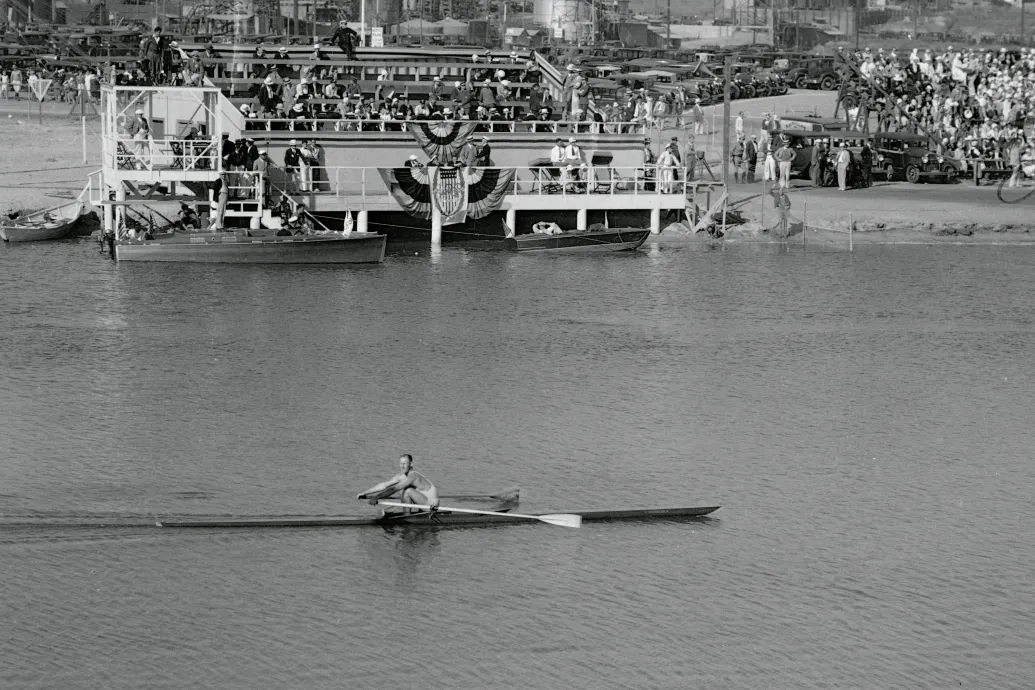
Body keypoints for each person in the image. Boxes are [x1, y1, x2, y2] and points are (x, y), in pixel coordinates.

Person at [357, 454, 440, 513]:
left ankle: (406, 516)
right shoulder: (401, 476)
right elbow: (384, 485)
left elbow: (394, 489)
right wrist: (365, 493)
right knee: (404, 490)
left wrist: (377, 497)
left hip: (432, 504)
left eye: (404, 464)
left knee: (407, 491)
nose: (402, 466)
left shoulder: (413, 476)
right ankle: (410, 514)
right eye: (400, 464)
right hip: (423, 501)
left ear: (411, 464)